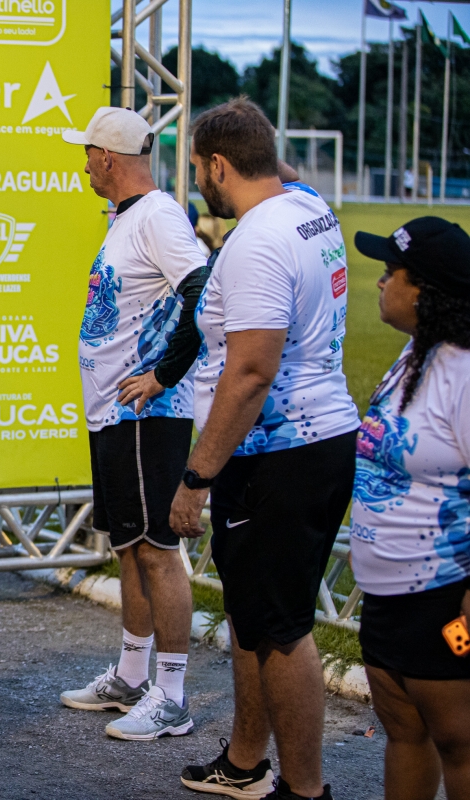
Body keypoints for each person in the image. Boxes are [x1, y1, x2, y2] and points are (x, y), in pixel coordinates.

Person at [171, 98, 360, 800]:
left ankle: (305, 791)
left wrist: (196, 477)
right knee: (254, 616)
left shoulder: (255, 242)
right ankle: (245, 762)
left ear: (220, 166)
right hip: (314, 442)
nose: (198, 181)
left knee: (281, 630)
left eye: (199, 168)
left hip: (278, 457)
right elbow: (275, 167)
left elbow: (251, 373)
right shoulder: (307, 204)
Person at [58, 107, 207, 741]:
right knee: (129, 545)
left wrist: (164, 375)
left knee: (157, 548)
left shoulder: (157, 215)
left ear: (107, 158)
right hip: (116, 414)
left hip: (148, 414)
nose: (84, 165)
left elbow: (203, 288)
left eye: (87, 154)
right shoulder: (128, 216)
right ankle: (131, 675)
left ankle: (171, 696)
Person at [349, 217, 470, 800]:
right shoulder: (416, 353)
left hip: (442, 598)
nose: (379, 282)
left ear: (423, 290)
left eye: (390, 272)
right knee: (404, 732)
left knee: (460, 742)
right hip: (385, 593)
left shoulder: (463, 370)